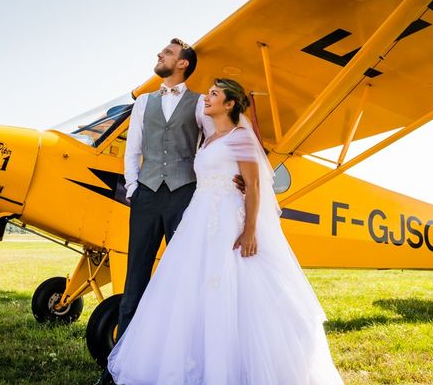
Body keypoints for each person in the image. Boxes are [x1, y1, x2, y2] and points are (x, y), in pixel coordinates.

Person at [107, 78, 344, 384]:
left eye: (215, 94)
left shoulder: (241, 136)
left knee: (233, 289)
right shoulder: (208, 137)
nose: (207, 97)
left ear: (229, 104)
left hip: (229, 219)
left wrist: (249, 231)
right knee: (187, 290)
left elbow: (255, 184)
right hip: (199, 218)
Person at [95, 38, 214, 385]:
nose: (159, 55)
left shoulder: (197, 104)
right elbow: (132, 151)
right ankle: (120, 367)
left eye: (167, 53)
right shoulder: (143, 102)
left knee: (183, 280)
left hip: (184, 197)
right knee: (135, 281)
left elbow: (209, 147)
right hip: (146, 197)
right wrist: (134, 190)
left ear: (182, 65)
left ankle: (183, 365)